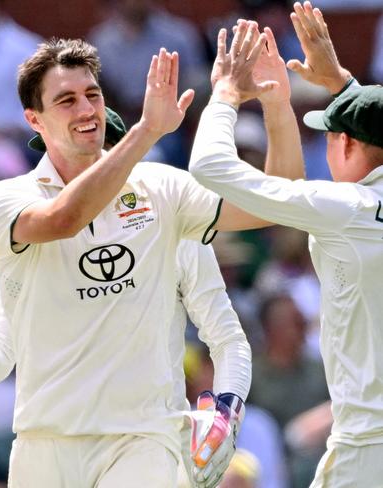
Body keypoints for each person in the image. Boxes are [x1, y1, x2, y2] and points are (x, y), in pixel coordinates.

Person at [0, 36, 300, 486]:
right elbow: (65, 218)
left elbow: (281, 200)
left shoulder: (161, 189)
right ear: (33, 119)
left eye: (92, 94)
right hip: (45, 441)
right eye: (67, 100)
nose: (86, 110)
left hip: (143, 436)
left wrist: (276, 104)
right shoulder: (6, 198)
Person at [189, 2, 383, 485]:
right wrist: (340, 83)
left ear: (347, 146)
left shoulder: (346, 206)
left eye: (330, 136)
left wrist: (227, 95)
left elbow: (209, 168)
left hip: (368, 445)